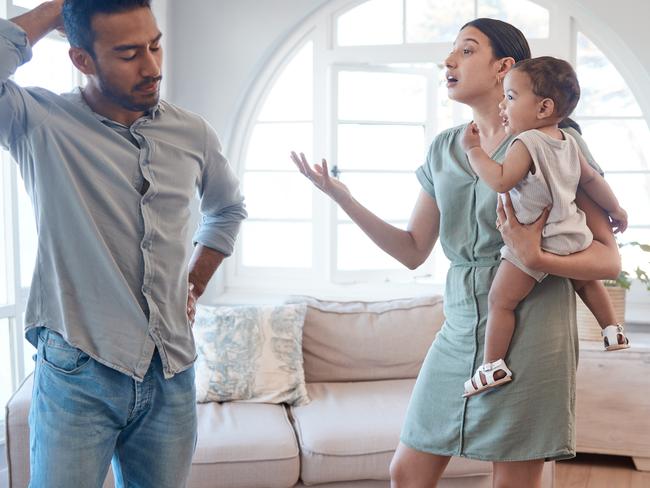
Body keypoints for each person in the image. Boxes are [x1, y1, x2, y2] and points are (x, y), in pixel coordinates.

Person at [292, 18, 621, 488]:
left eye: (466, 51)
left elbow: (609, 261)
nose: (448, 61)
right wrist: (344, 199)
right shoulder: (445, 149)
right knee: (406, 472)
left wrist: (538, 258)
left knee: (512, 481)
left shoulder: (557, 142)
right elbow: (411, 250)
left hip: (534, 332)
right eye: (451, 51)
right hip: (460, 329)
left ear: (503, 67)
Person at [0, 1, 246, 486]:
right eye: (129, 53)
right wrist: (64, 6)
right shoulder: (39, 122)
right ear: (82, 60)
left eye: (155, 45)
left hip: (172, 372)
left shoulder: (192, 133)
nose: (152, 66)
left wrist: (194, 283)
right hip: (78, 372)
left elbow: (227, 209)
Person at [459, 56, 630, 397]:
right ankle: (612, 329)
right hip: (571, 233)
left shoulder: (527, 143)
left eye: (510, 97)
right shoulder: (567, 141)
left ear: (543, 107)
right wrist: (617, 209)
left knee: (501, 302)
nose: (502, 106)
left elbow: (501, 180)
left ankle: (492, 365)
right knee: (587, 282)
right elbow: (592, 180)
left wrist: (474, 151)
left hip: (535, 243)